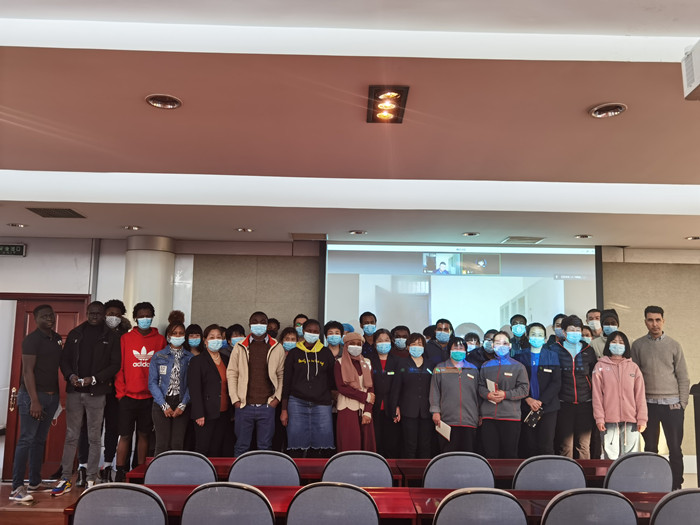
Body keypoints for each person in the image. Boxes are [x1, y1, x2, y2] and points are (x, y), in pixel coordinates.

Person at [52, 301, 120, 496]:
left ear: (103, 315)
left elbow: (115, 364)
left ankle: (91, 479)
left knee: (94, 437)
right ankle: (66, 478)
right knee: (71, 435)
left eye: (98, 313)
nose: (94, 316)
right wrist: (70, 376)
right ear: (87, 313)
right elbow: (64, 360)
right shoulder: (76, 333)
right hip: (74, 392)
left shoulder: (111, 336)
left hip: (96, 393)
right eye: (91, 312)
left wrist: (95, 379)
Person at [631, 306, 689, 490]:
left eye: (657, 320)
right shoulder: (638, 345)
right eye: (650, 320)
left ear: (663, 321)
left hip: (672, 405)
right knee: (650, 448)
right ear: (645, 322)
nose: (654, 324)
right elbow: (634, 377)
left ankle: (676, 485)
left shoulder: (674, 345)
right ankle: (653, 485)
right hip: (648, 405)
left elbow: (683, 376)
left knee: (675, 448)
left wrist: (682, 404)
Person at [10, 305, 62, 503]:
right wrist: (34, 401)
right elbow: (27, 372)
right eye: (44, 316)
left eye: (51, 315)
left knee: (39, 440)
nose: (49, 318)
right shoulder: (31, 340)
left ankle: (34, 482)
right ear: (36, 319)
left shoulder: (56, 338)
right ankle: (16, 488)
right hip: (33, 397)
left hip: (51, 396)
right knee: (26, 439)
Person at [114, 301, 167, 481]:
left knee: (144, 434)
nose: (145, 319)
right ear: (135, 318)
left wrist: (158, 395)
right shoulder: (126, 339)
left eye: (148, 316)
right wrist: (121, 394)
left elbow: (163, 369)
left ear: (152, 317)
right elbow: (119, 368)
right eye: (141, 316)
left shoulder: (160, 340)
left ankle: (139, 470)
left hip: (150, 398)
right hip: (127, 397)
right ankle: (120, 470)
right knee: (125, 435)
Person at [227, 311, 285, 456]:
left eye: (262, 322)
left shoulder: (276, 347)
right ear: (249, 324)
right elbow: (232, 373)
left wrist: (276, 399)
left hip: (267, 406)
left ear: (267, 325)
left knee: (265, 447)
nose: (258, 324)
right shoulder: (239, 346)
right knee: (241, 446)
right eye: (255, 321)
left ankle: (263, 472)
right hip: (243, 405)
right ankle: (239, 471)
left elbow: (281, 375)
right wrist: (235, 400)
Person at [281, 319, 336, 457]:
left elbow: (332, 380)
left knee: (323, 443)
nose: (312, 333)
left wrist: (333, 400)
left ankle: (320, 470)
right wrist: (284, 409)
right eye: (309, 331)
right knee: (296, 443)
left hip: (322, 404)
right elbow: (286, 382)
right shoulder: (294, 353)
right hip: (297, 403)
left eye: (316, 331)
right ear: (303, 332)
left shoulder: (326, 353)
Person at [593, 331, 647, 460]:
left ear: (626, 346)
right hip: (609, 421)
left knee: (630, 459)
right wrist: (599, 418)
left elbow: (640, 395)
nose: (617, 345)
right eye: (614, 342)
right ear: (608, 345)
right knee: (610, 459)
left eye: (621, 342)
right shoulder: (600, 366)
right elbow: (597, 395)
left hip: (631, 421)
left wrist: (642, 419)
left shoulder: (633, 367)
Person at [148, 311, 193, 456]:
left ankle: (176, 471)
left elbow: (192, 384)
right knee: (161, 444)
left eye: (181, 333)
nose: (178, 336)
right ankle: (158, 471)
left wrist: (183, 404)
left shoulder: (190, 358)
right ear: (168, 336)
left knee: (177, 444)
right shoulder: (158, 356)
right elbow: (152, 383)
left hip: (181, 403)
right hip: (161, 403)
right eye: (174, 333)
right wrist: (164, 405)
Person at [478, 331, 529, 458]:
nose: (501, 346)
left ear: (510, 346)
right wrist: (488, 395)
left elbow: (524, 389)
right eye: (497, 343)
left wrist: (505, 394)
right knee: (490, 454)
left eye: (504, 343)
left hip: (510, 417)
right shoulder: (485, 366)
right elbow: (480, 386)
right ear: (492, 346)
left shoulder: (518, 366)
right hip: (489, 417)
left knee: (510, 455)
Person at [552, 315, 596, 459]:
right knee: (565, 446)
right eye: (572, 330)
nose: (575, 333)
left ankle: (585, 473)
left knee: (583, 445)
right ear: (564, 332)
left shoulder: (588, 350)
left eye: (578, 330)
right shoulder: (555, 349)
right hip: (564, 404)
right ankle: (567, 473)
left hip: (586, 403)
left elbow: (594, 376)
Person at [515, 323, 561, 457]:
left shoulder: (552, 355)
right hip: (526, 406)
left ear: (545, 338)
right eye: (533, 334)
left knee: (546, 445)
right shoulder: (519, 356)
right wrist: (527, 399)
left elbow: (556, 382)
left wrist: (541, 401)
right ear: (528, 336)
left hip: (548, 407)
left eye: (540, 335)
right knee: (528, 445)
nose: (537, 337)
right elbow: (516, 381)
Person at [430, 337, 480, 452]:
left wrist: (479, 414)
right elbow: (434, 391)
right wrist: (435, 411)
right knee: (448, 454)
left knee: (467, 454)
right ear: (449, 350)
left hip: (469, 419)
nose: (458, 350)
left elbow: (478, 393)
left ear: (466, 350)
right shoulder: (440, 368)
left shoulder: (473, 369)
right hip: (446, 420)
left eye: (461, 348)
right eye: (455, 348)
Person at [188, 325, 230, 455]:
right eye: (212, 337)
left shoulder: (226, 359)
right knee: (203, 448)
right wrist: (199, 413)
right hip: (205, 413)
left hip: (223, 412)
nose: (215, 340)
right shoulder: (197, 361)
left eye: (218, 337)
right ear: (205, 341)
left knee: (216, 449)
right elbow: (194, 389)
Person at [390, 333, 433, 458]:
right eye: (413, 344)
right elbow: (396, 387)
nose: (417, 347)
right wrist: (395, 406)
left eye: (420, 344)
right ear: (408, 347)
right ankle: (409, 470)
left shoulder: (430, 364)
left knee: (426, 445)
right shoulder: (402, 363)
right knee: (410, 445)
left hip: (427, 410)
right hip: (408, 410)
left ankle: (424, 470)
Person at [334, 332, 376, 452]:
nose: (356, 347)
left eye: (359, 344)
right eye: (352, 344)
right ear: (346, 346)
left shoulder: (367, 362)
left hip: (364, 408)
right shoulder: (339, 363)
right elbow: (342, 387)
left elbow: (371, 388)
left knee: (366, 445)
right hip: (347, 409)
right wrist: (365, 397)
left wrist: (368, 411)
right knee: (350, 443)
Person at [367, 328, 402, 458]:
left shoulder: (397, 361)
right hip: (373, 406)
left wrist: (397, 405)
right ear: (375, 343)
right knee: (376, 441)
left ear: (391, 342)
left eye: (386, 340)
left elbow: (399, 386)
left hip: (391, 406)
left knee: (391, 442)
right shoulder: (368, 360)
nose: (383, 343)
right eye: (380, 340)